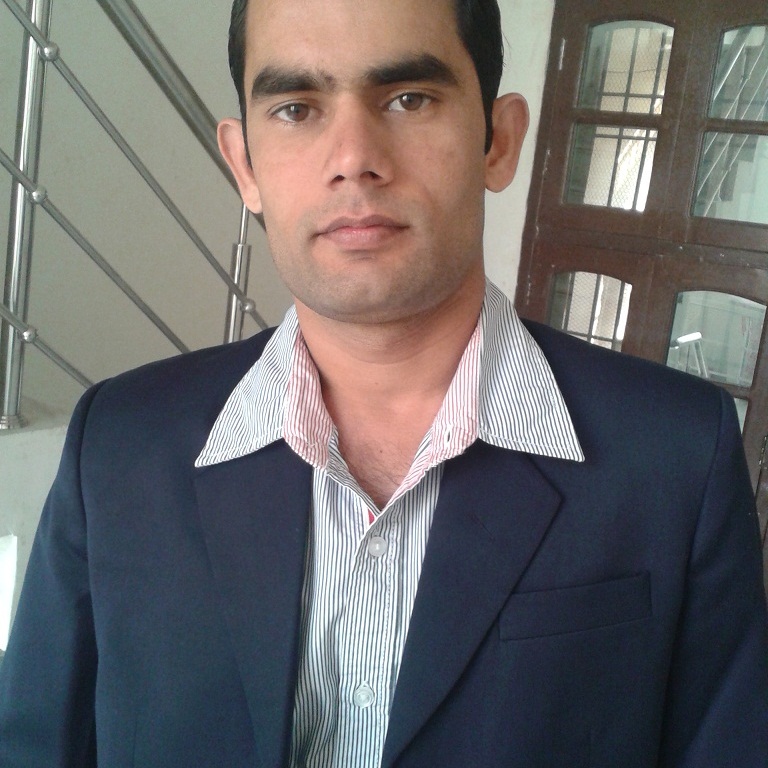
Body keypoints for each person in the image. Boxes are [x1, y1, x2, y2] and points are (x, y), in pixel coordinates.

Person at [1, 0, 766, 765]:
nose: (353, 157)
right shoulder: (118, 445)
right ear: (245, 166)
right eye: (296, 108)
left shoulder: (675, 454)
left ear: (498, 141)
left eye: (409, 98)